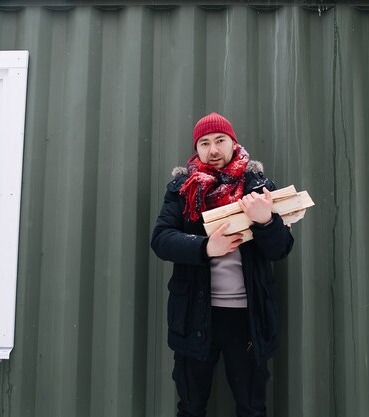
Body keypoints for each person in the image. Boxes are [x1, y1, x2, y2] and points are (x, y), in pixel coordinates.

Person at [151, 112, 294, 417]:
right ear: (196, 149)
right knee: (190, 406)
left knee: (251, 407)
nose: (213, 150)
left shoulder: (258, 187)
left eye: (220, 141)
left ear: (233, 143)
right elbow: (161, 239)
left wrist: (266, 221)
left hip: (247, 318)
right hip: (194, 315)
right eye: (204, 143)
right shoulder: (181, 188)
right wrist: (206, 247)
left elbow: (280, 249)